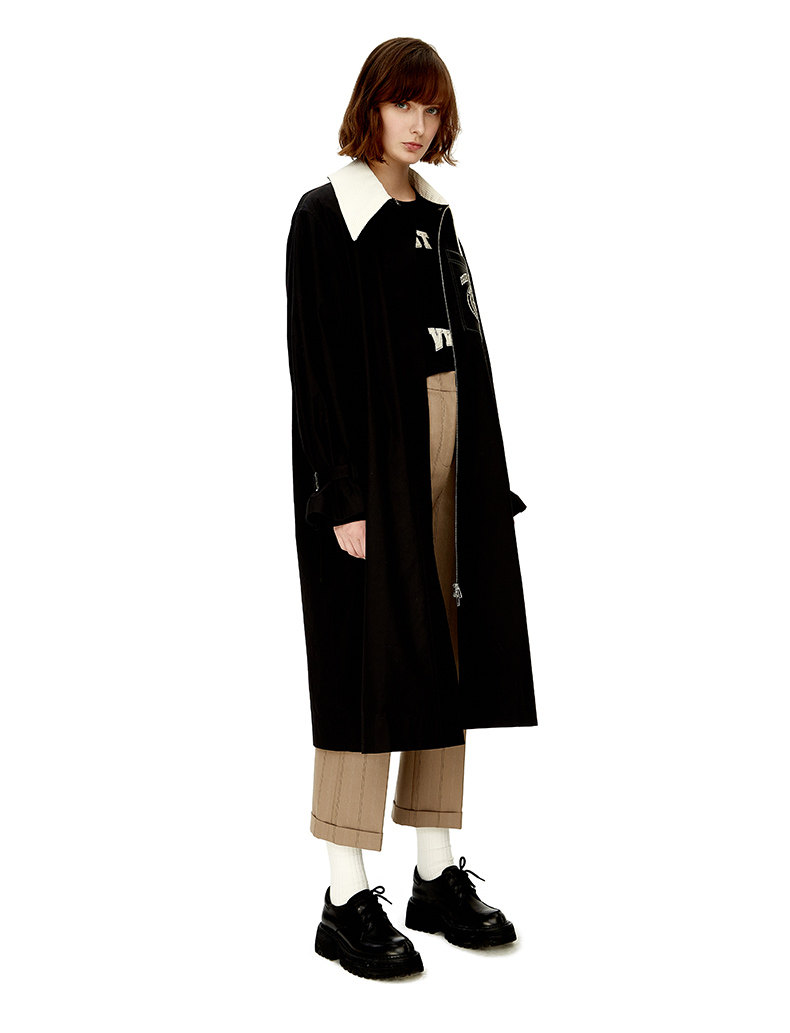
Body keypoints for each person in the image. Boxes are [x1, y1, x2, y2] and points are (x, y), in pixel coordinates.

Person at [285, 37, 538, 980]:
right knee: (364, 664)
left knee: (444, 655)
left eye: (432, 109)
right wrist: (342, 495)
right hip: (373, 466)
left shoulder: (435, 216)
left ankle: (434, 872)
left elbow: (470, 346)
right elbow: (316, 365)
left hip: (451, 457)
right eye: (405, 104)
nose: (419, 124)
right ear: (372, 106)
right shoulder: (326, 216)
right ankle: (344, 891)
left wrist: (487, 475)